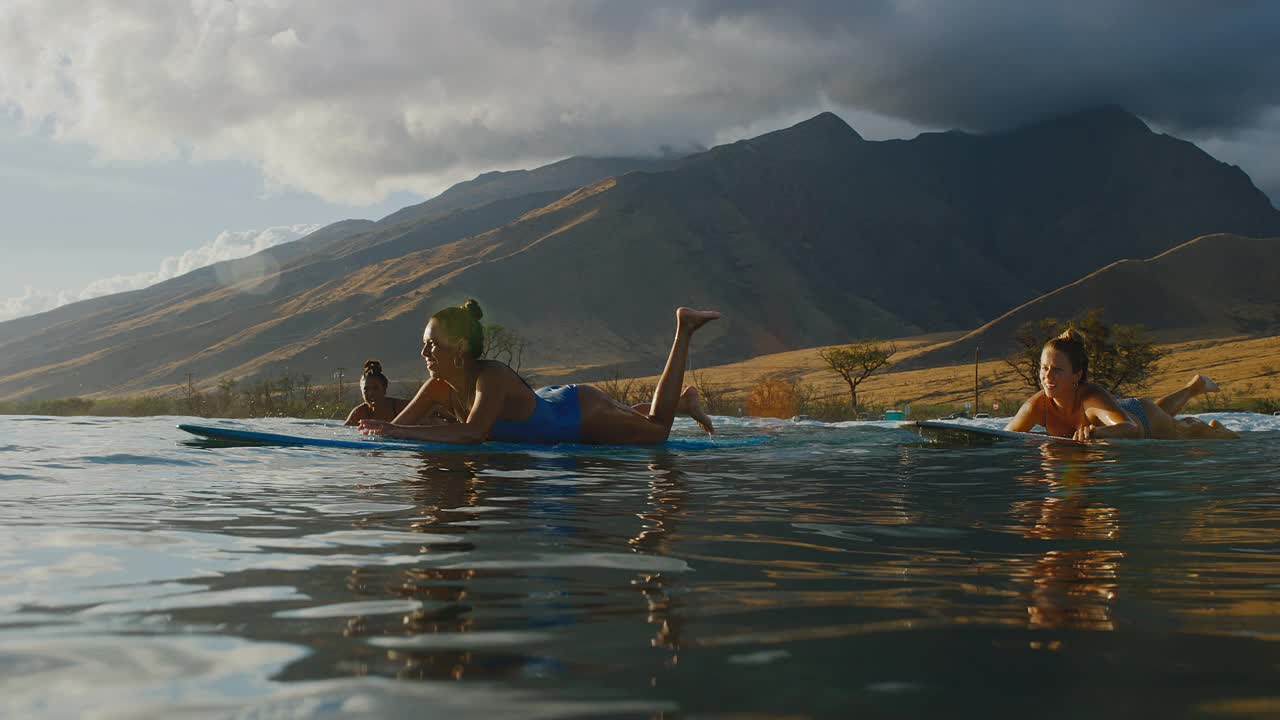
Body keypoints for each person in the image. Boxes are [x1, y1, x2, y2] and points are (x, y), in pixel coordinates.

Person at [359, 300, 720, 445]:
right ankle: (684, 402)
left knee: (657, 433)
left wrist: (396, 430)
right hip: (544, 407)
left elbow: (473, 432)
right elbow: (398, 431)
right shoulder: (437, 387)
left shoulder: (492, 376)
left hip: (579, 412)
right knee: (629, 420)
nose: (424, 353)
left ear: (459, 348)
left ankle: (683, 329)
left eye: (432, 344)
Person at [1005, 329, 1235, 440]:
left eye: (1057, 370)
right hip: (1123, 407)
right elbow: (1006, 437)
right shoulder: (1037, 405)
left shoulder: (1091, 397)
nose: (1047, 376)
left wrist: (1096, 433)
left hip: (1144, 419)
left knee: (1182, 434)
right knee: (1162, 410)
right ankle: (1194, 387)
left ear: (1077, 374)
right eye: (1044, 368)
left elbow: (1131, 429)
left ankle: (1215, 429)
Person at [343, 360, 409, 426]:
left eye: (375, 388)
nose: (371, 393)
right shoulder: (359, 413)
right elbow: (344, 432)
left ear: (384, 389)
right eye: (366, 389)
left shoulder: (401, 407)